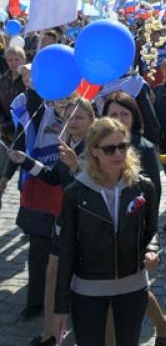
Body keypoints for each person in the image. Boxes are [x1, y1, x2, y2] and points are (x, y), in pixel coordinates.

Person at [54, 118, 159, 346]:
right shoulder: (76, 193)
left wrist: (151, 250)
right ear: (94, 151)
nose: (118, 154)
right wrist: (60, 307)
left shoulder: (143, 187)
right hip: (88, 289)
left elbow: (151, 230)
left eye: (122, 146)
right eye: (110, 149)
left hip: (133, 286)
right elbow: (67, 250)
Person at [8, 98, 93, 346]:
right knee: (52, 276)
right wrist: (24, 160)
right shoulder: (67, 145)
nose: (73, 122)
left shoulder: (98, 146)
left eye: (79, 117)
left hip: (87, 226)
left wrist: (77, 166)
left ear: (92, 119)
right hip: (63, 221)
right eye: (69, 118)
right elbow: (54, 177)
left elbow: (98, 185)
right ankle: (50, 335)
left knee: (81, 283)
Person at [101, 91, 166, 345]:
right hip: (103, 234)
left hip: (134, 236)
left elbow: (154, 199)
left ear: (134, 116)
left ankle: (162, 324)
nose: (119, 119)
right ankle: (162, 324)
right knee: (117, 292)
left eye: (124, 113)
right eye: (113, 114)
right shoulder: (97, 147)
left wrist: (148, 243)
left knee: (133, 289)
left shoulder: (144, 148)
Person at [0, 45, 26, 130]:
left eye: (17, 59)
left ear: (23, 60)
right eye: (10, 60)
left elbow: (27, 107)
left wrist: (8, 125)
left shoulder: (28, 80)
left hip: (22, 127)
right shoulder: (3, 79)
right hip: (4, 127)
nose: (14, 63)